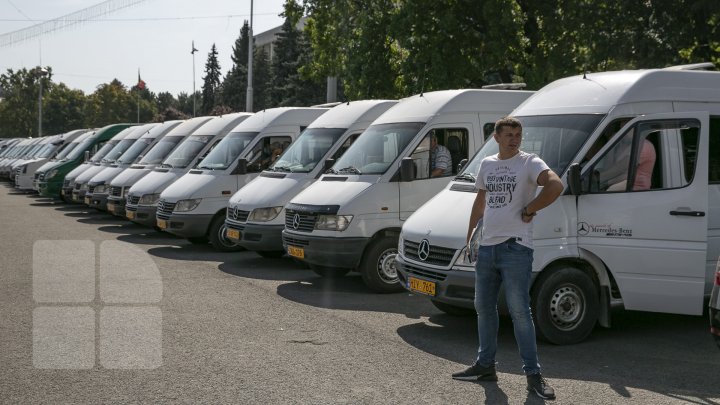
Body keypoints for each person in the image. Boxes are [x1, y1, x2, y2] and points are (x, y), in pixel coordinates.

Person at [452, 116, 564, 400]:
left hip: (516, 248)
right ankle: (485, 365)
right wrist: (469, 238)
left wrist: (531, 208)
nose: (514, 139)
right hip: (487, 247)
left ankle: (533, 375)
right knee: (484, 308)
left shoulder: (529, 162)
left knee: (519, 312)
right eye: (509, 134)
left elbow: (555, 185)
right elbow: (481, 202)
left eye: (518, 134)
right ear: (496, 137)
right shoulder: (487, 164)